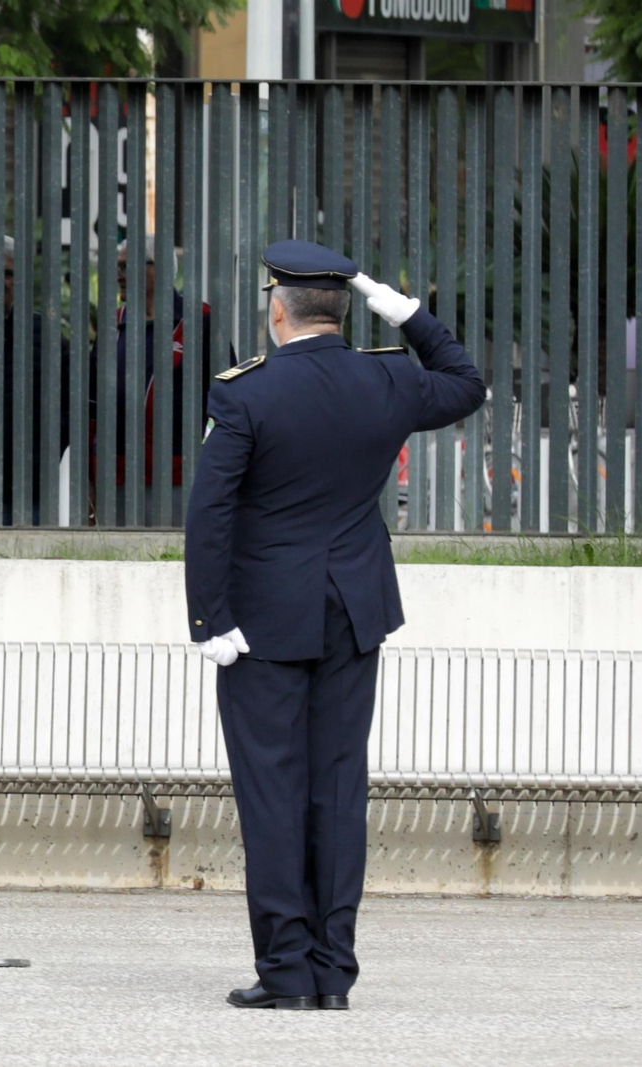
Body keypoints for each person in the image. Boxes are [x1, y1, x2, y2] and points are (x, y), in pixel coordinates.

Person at [183, 239, 485, 1011]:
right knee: (339, 790)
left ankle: (287, 972)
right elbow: (466, 382)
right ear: (348, 309)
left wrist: (209, 619)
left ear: (277, 310)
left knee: (272, 792)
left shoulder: (244, 393)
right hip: (354, 611)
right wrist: (408, 313)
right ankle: (333, 971)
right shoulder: (385, 375)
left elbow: (210, 512)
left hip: (262, 622)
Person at [90, 237, 230, 525]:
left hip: (180, 477)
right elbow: (92, 403)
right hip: (116, 477)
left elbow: (227, 402)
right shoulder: (112, 325)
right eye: (117, 267)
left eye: (126, 267)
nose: (118, 276)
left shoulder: (201, 322)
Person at [0, 236, 71, 526]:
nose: (0, 282)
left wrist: (45, 453)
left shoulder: (47, 336)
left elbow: (71, 405)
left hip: (30, 488)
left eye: (10, 274)